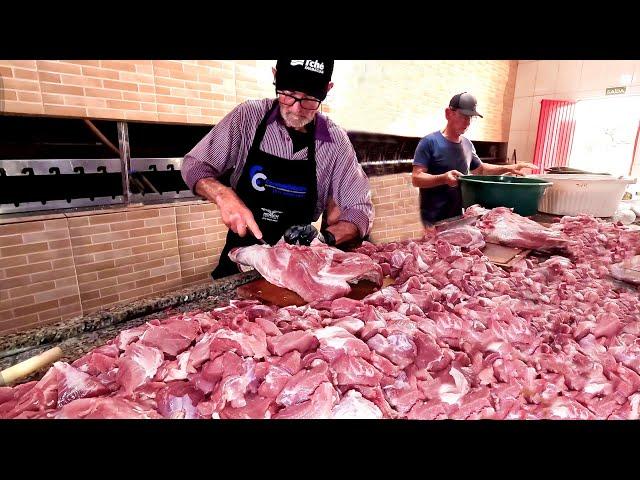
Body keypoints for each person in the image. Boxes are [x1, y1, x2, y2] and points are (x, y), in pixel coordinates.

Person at [181, 59, 374, 279]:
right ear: (275, 76)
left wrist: (324, 239)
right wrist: (223, 195)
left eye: (310, 99)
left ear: (327, 89)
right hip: (242, 260)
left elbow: (359, 209)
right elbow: (194, 165)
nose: (296, 108)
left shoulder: (335, 141)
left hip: (300, 265)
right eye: (288, 94)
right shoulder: (248, 118)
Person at [412, 92, 537, 225]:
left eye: (471, 118)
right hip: (431, 222)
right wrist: (443, 178)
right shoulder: (429, 142)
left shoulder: (467, 144)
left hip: (457, 218)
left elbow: (481, 170)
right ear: (448, 113)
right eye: (463, 116)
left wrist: (509, 168)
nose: (468, 122)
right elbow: (416, 178)